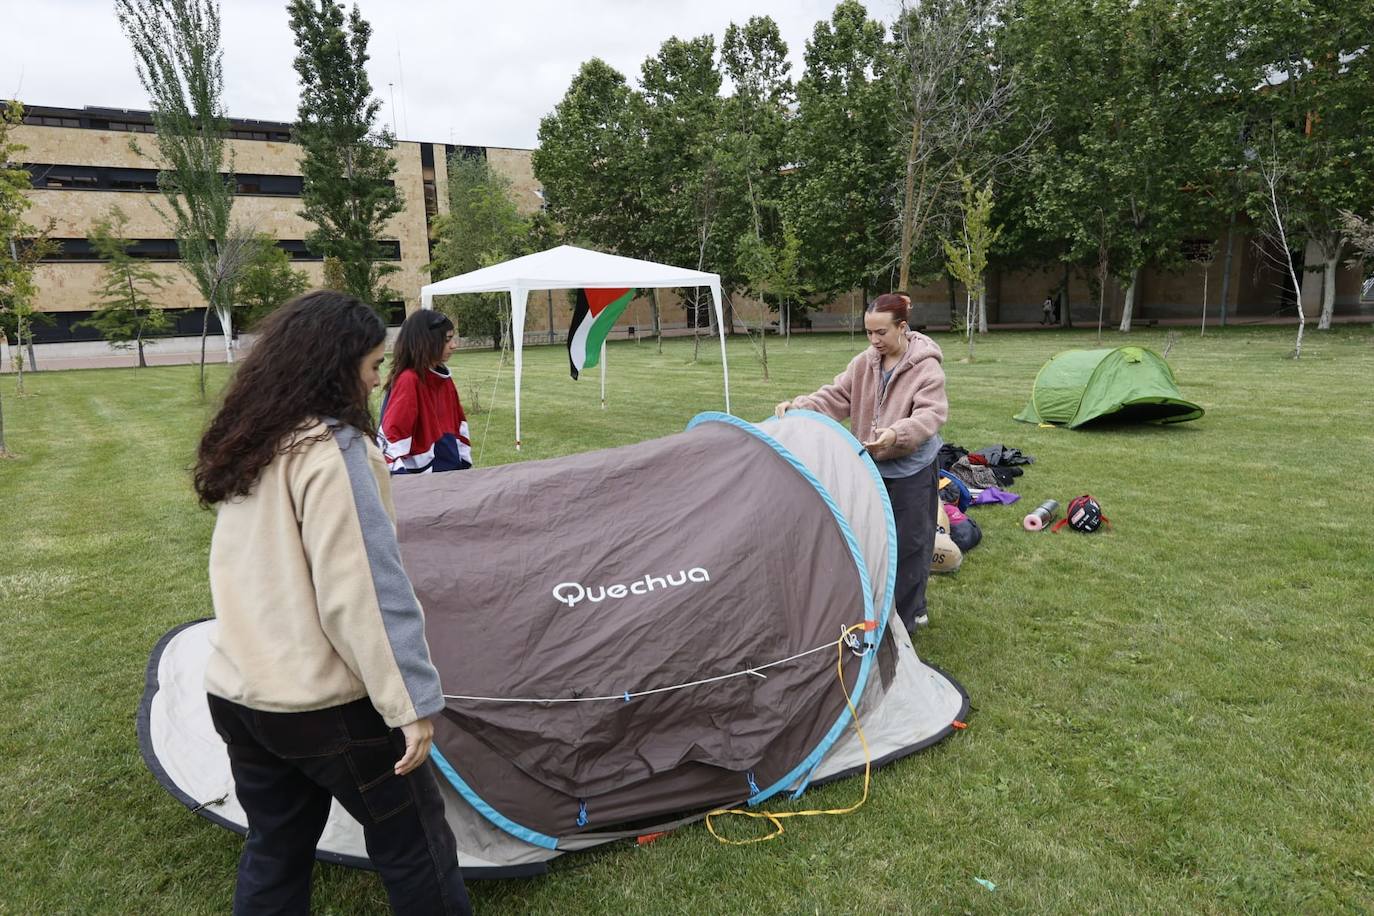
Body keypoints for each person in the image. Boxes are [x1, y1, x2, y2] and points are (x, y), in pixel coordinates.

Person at [193, 291, 471, 915]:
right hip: (322, 705)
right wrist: (411, 704)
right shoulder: (334, 450)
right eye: (373, 365)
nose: (378, 379)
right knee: (417, 847)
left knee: (277, 846)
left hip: (239, 694)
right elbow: (365, 590)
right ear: (335, 364)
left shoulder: (255, 439)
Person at [775, 293, 948, 633]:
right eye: (869, 332)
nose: (874, 340)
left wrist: (896, 435)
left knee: (911, 542)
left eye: (881, 332)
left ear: (902, 327)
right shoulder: (864, 363)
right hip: (871, 466)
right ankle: (876, 606)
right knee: (871, 539)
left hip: (912, 467)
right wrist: (800, 407)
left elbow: (931, 414)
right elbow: (836, 396)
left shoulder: (926, 366)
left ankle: (910, 615)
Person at [379, 308, 472, 474]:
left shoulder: (443, 379)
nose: (454, 345)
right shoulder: (409, 380)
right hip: (423, 483)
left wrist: (462, 466)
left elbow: (457, 423)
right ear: (427, 341)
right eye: (448, 339)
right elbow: (392, 437)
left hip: (448, 474)